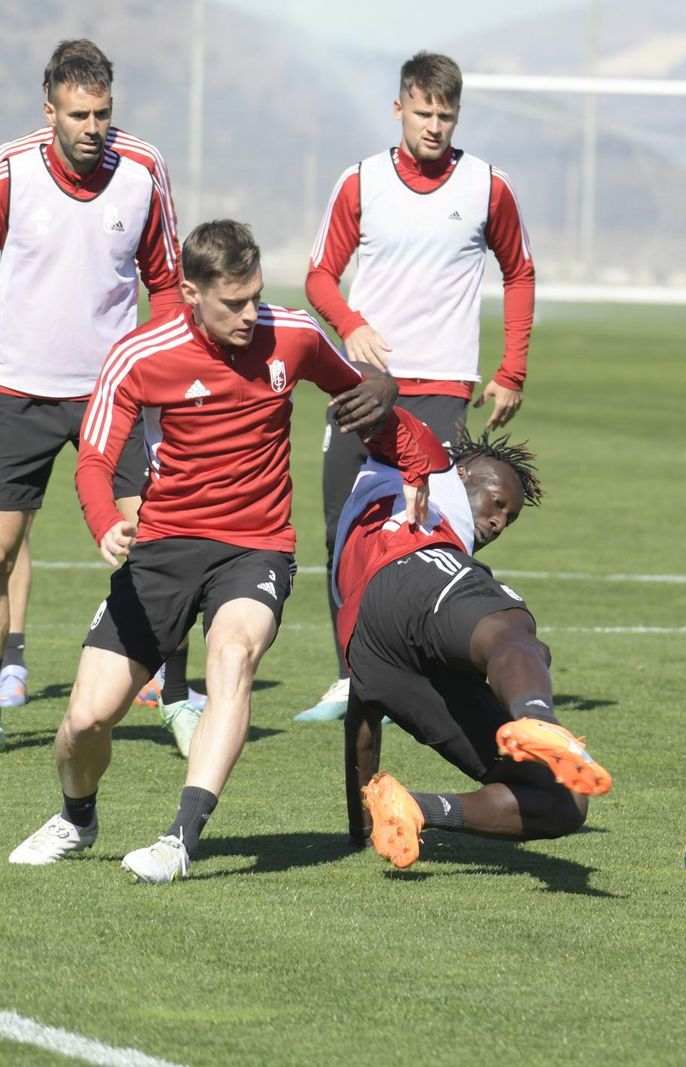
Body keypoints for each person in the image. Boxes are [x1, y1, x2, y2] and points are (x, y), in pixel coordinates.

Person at [6, 220, 398, 883]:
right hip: (163, 548)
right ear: (189, 291)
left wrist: (384, 390)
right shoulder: (141, 354)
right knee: (84, 719)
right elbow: (97, 458)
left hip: (256, 546)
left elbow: (355, 385)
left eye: (255, 297)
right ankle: (76, 817)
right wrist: (106, 521)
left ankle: (180, 839)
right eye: (234, 304)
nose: (252, 315)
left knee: (233, 654)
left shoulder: (293, 334)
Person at [297, 50, 536, 724]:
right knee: (341, 531)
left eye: (446, 115)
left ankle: (433, 669)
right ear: (398, 106)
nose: (434, 126)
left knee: (429, 532)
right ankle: (351, 677)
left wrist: (512, 367)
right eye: (423, 112)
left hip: (442, 388)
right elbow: (319, 276)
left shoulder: (489, 186)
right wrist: (352, 323)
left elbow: (519, 272)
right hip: (362, 389)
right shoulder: (360, 183)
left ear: (458, 115)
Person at [0, 40, 190, 743]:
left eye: (102, 114)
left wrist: (168, 375)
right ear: (48, 109)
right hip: (16, 390)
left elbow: (166, 281)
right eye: (77, 114)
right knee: (0, 547)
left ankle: (174, 690)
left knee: (159, 533)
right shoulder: (11, 170)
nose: (91, 127)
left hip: (114, 392)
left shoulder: (142, 169)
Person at [332, 414, 610, 869]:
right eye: (497, 503)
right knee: (513, 628)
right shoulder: (434, 467)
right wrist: (374, 387)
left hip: (368, 648)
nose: (499, 523)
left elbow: (362, 720)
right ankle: (538, 718)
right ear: (463, 473)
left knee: (565, 802)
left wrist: (359, 831)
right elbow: (386, 422)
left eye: (509, 519)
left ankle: (416, 809)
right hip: (408, 568)